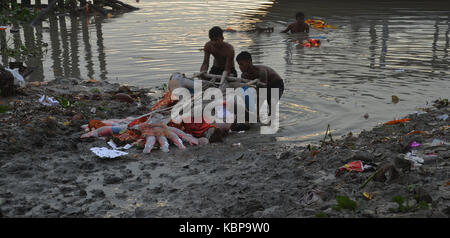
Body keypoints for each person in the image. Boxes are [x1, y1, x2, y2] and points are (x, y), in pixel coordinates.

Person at [236, 51, 284, 116]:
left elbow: (262, 93)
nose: (240, 67)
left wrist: (257, 112)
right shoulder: (244, 75)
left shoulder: (261, 72)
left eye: (242, 64)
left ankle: (271, 119)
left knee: (272, 104)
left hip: (276, 84)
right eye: (239, 65)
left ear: (249, 62)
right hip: (261, 86)